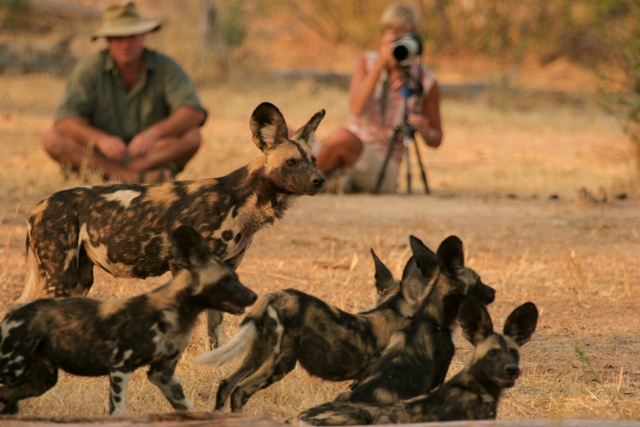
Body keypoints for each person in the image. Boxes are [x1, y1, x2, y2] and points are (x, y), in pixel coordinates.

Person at [42, 1, 207, 183]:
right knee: (52, 138)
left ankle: (104, 174)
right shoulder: (90, 68)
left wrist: (153, 134)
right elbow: (65, 120)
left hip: (148, 154)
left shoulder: (166, 66)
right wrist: (102, 140)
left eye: (132, 36)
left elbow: (194, 113)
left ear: (143, 35)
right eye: (118, 38)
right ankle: (134, 178)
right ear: (107, 40)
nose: (125, 44)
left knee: (192, 136)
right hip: (104, 153)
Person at [316, 3, 443, 194]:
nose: (399, 46)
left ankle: (294, 180)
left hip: (385, 164)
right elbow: (357, 108)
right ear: (382, 37)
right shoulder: (366, 63)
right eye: (395, 38)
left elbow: (437, 138)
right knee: (292, 134)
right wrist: (380, 66)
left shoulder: (426, 82)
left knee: (341, 138)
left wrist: (426, 132)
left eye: (405, 39)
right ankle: (335, 182)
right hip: (351, 150)